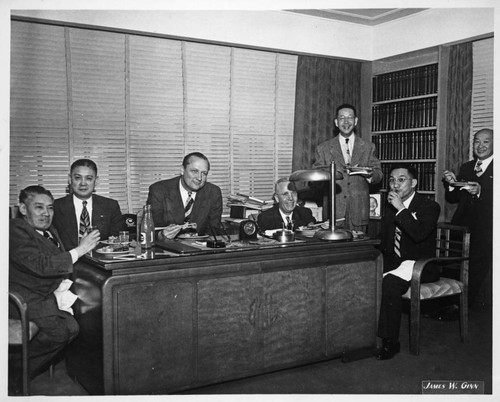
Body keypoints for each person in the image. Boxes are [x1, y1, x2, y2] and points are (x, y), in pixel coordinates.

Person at [9, 185, 100, 380]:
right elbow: (42, 265)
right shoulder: (14, 229)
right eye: (39, 207)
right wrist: (81, 249)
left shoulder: (49, 231)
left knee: (73, 328)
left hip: (44, 295)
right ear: (23, 209)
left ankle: (20, 368)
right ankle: (14, 373)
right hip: (23, 298)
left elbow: (57, 259)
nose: (46, 213)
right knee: (60, 332)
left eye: (50, 208)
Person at [376, 166, 440, 360]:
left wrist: (401, 209)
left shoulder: (429, 206)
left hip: (421, 265)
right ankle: (361, 337)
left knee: (390, 283)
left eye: (401, 180)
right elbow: (384, 239)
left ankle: (390, 342)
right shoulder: (390, 206)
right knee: (362, 273)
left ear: (413, 183)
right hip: (395, 263)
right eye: (392, 180)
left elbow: (419, 234)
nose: (395, 185)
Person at [442, 128, 493, 310]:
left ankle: (463, 307)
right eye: (477, 142)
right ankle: (454, 304)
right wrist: (451, 184)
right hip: (463, 228)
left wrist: (480, 192)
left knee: (476, 270)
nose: (480, 146)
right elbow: (454, 198)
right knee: (459, 267)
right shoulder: (466, 167)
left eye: (485, 142)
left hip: (487, 230)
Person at [313, 103, 383, 232]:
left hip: (359, 212)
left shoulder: (368, 147)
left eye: (350, 117)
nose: (346, 122)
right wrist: (333, 173)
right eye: (342, 118)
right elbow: (316, 177)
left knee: (358, 249)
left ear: (355, 121)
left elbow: (378, 175)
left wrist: (368, 174)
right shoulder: (323, 148)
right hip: (333, 213)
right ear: (336, 122)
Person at [147, 152, 223, 239]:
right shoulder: (159, 190)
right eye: (194, 171)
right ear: (182, 170)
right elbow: (149, 231)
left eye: (204, 173)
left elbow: (213, 231)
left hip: (200, 248)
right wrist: (162, 235)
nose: (199, 178)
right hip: (166, 248)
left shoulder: (213, 192)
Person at [53, 159, 124, 250]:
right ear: (70, 179)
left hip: (100, 261)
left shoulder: (110, 206)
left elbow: (117, 242)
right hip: (69, 262)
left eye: (89, 178)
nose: (83, 183)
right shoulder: (56, 207)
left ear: (96, 181)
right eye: (78, 178)